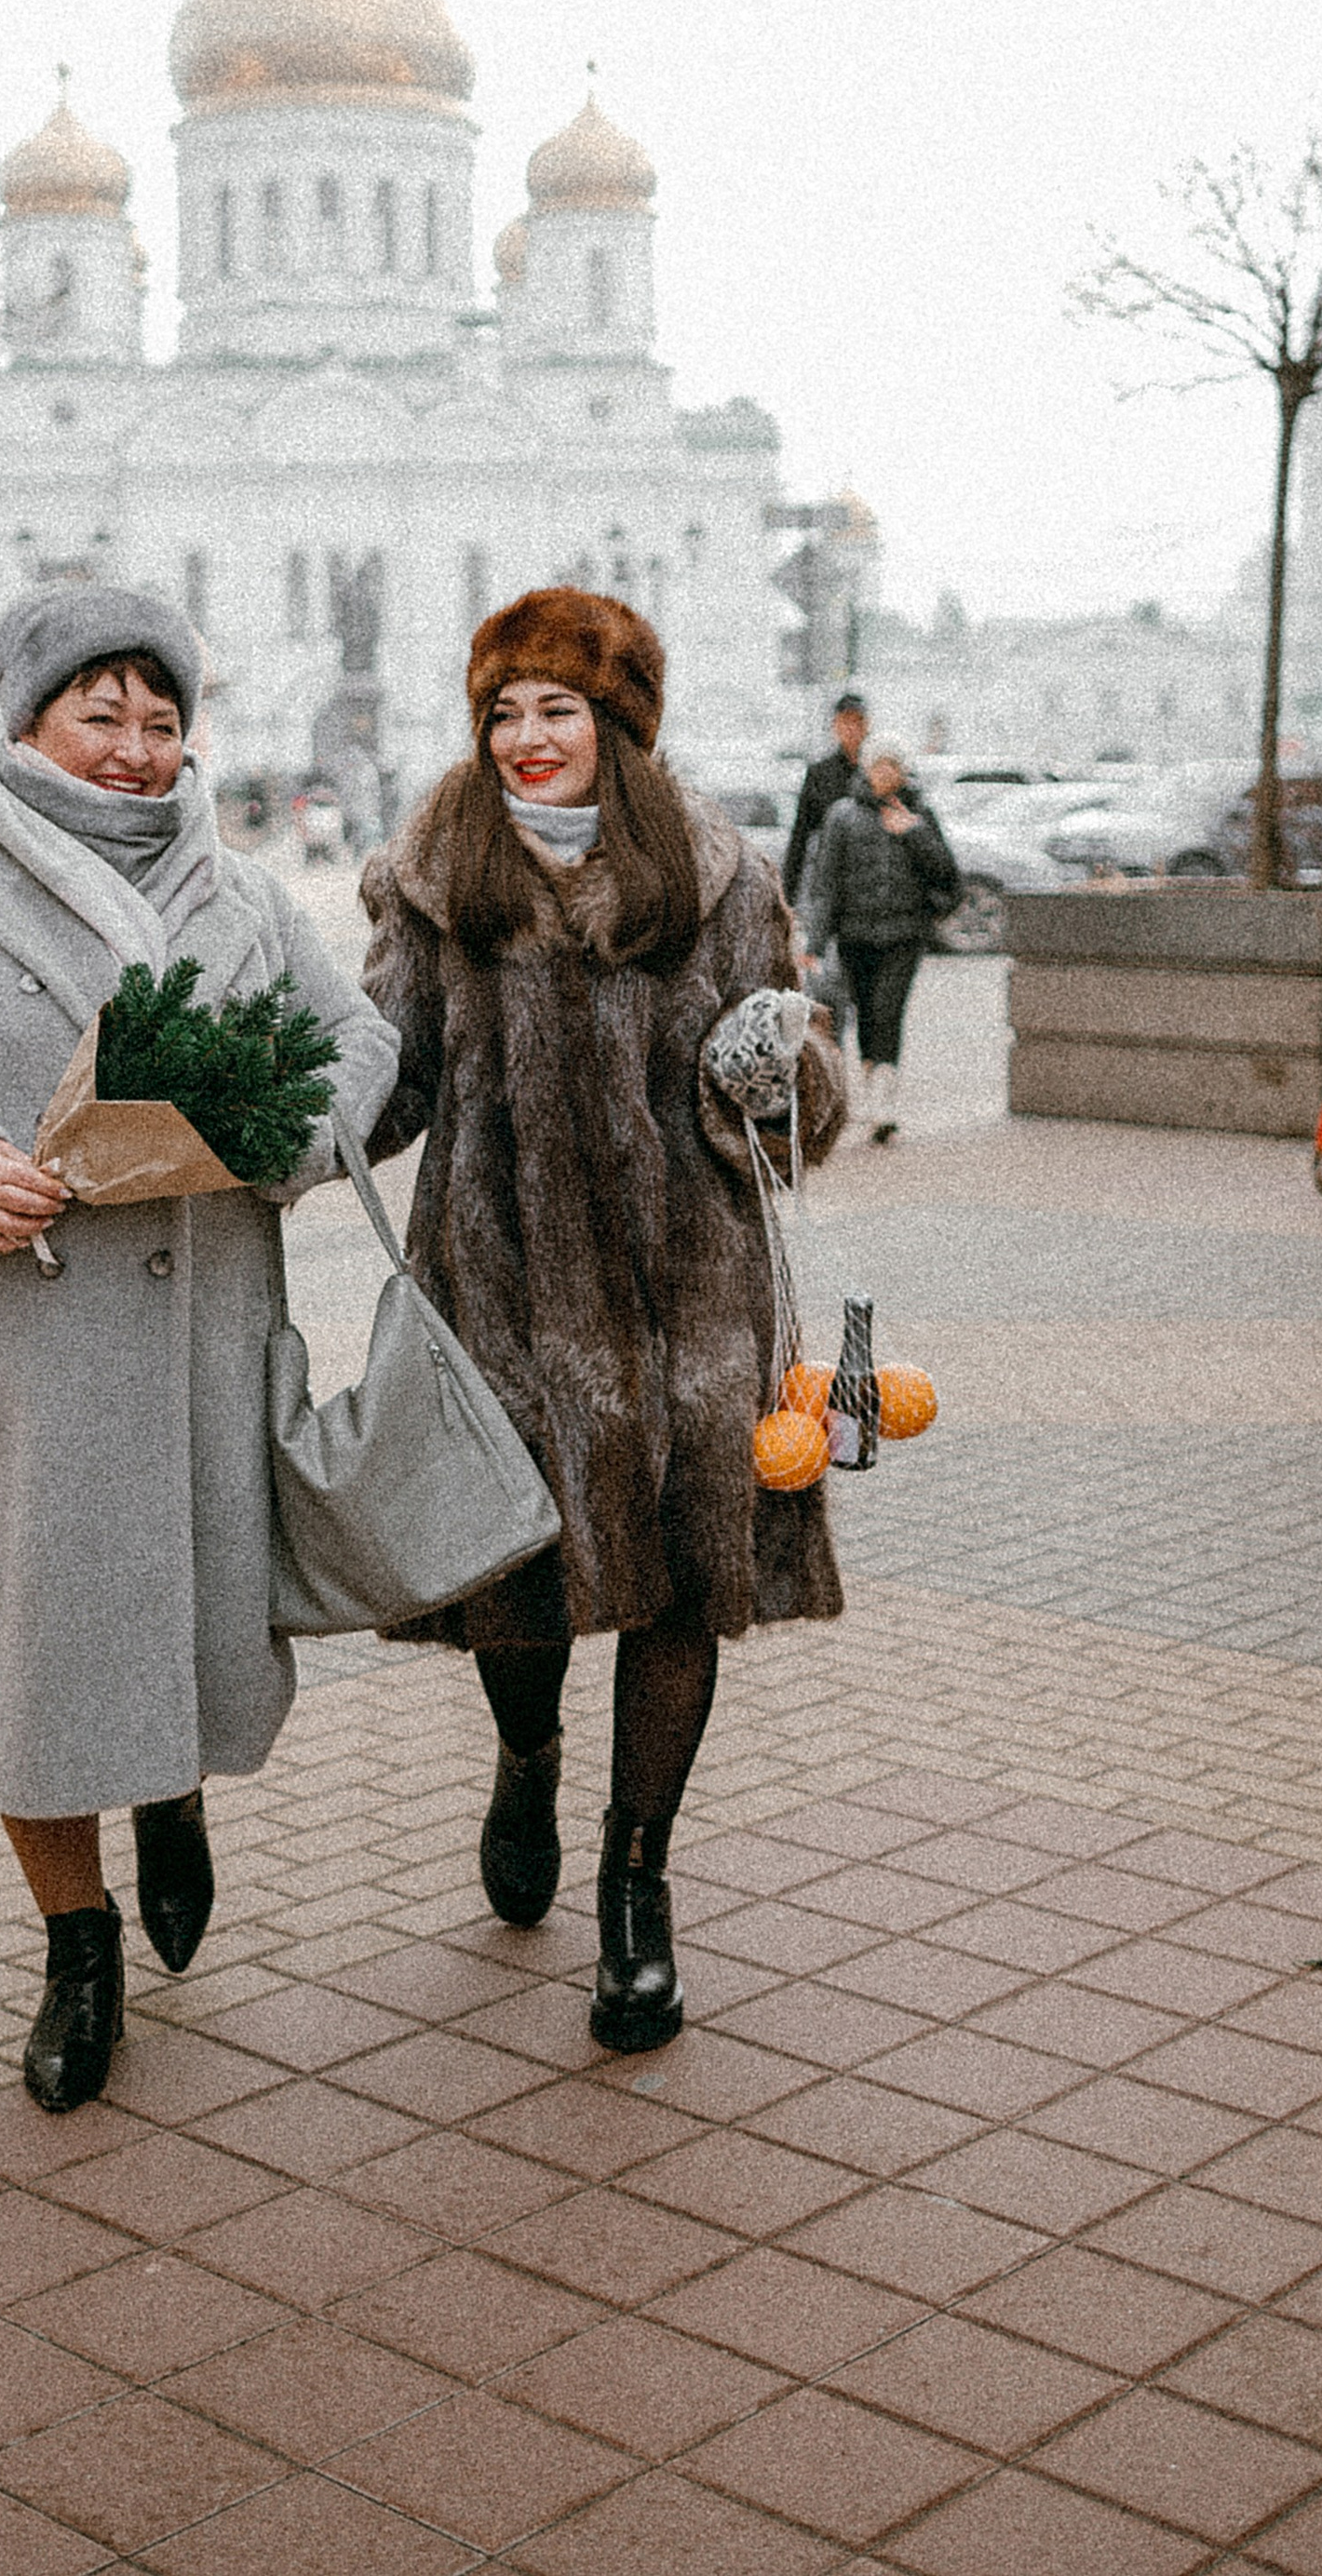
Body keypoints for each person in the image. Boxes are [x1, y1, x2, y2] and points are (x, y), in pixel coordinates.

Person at [0, 587, 398, 2114]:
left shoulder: (245, 899)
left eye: (160, 720)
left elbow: (363, 1049)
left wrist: (280, 1131)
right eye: (100, 716)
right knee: (30, 1664)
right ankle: (77, 1939)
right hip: (20, 1359)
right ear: (29, 721)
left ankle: (171, 1795)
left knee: (177, 1625)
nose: (134, 751)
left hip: (196, 1350)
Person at [360, 588, 845, 2055]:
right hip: (503, 1294)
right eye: (503, 713)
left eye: (556, 710)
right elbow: (389, 1073)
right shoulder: (433, 876)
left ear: (617, 723)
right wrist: (263, 1126)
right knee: (521, 1578)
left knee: (687, 1581)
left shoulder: (718, 876)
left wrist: (775, 1075)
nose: (525, 739)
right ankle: (527, 1752)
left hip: (692, 1296)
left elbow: (796, 1103)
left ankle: (639, 1881)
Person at [806, 739, 962, 1143]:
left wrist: (915, 835)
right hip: (855, 935)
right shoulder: (842, 816)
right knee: (867, 1016)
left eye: (893, 766)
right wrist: (815, 943)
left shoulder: (919, 814)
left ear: (903, 771)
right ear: (867, 769)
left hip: (904, 935)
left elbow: (948, 876)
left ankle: (885, 1104)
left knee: (888, 1011)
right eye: (878, 765)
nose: (885, 774)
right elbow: (826, 884)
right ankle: (874, 1089)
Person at [781, 689, 869, 904]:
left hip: (870, 877)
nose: (852, 729)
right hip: (832, 879)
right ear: (835, 726)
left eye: (858, 721)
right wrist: (788, 893)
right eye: (845, 722)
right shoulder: (820, 773)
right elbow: (801, 834)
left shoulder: (880, 771)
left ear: (867, 726)